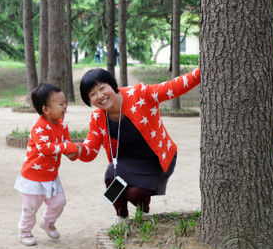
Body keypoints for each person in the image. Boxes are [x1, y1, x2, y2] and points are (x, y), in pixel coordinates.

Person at [76, 67, 201, 219]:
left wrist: (200, 72)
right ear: (88, 100)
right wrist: (76, 149)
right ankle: (122, 217)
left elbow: (172, 87)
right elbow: (90, 149)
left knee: (136, 193)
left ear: (112, 85)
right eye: (92, 94)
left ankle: (142, 214)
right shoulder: (97, 117)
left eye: (102, 88)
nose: (100, 96)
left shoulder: (139, 95)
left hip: (156, 157)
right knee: (111, 178)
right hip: (128, 159)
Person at [14, 82, 80, 246]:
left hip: (51, 176)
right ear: (46, 109)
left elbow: (65, 145)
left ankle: (48, 222)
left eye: (65, 102)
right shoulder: (39, 128)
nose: (65, 106)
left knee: (59, 202)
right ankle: (24, 232)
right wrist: (69, 147)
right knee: (30, 209)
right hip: (33, 177)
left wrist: (72, 153)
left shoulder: (62, 125)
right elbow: (45, 148)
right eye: (60, 104)